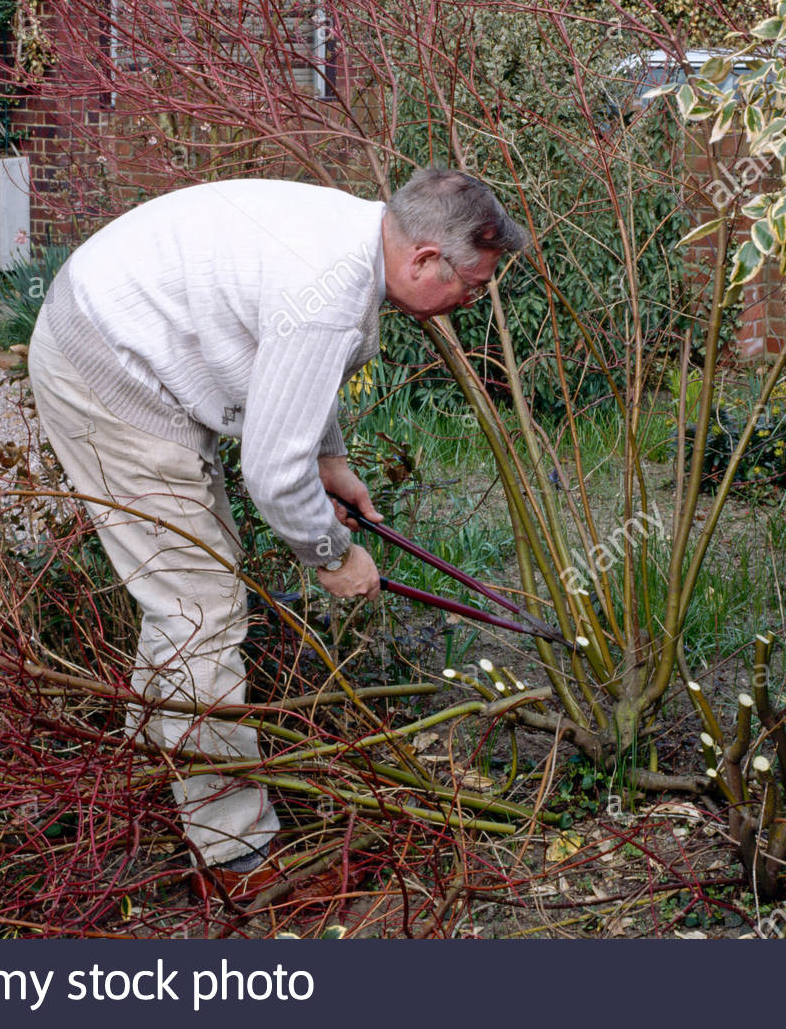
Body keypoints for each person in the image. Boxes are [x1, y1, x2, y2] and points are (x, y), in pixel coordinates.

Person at [26, 167, 526, 900]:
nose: (471, 301)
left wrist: (329, 459)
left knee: (189, 596)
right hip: (108, 368)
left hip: (122, 339)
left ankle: (138, 782)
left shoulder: (359, 240)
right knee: (201, 607)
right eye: (472, 285)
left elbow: (287, 369)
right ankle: (237, 857)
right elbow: (270, 472)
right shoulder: (322, 288)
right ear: (423, 259)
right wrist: (330, 554)